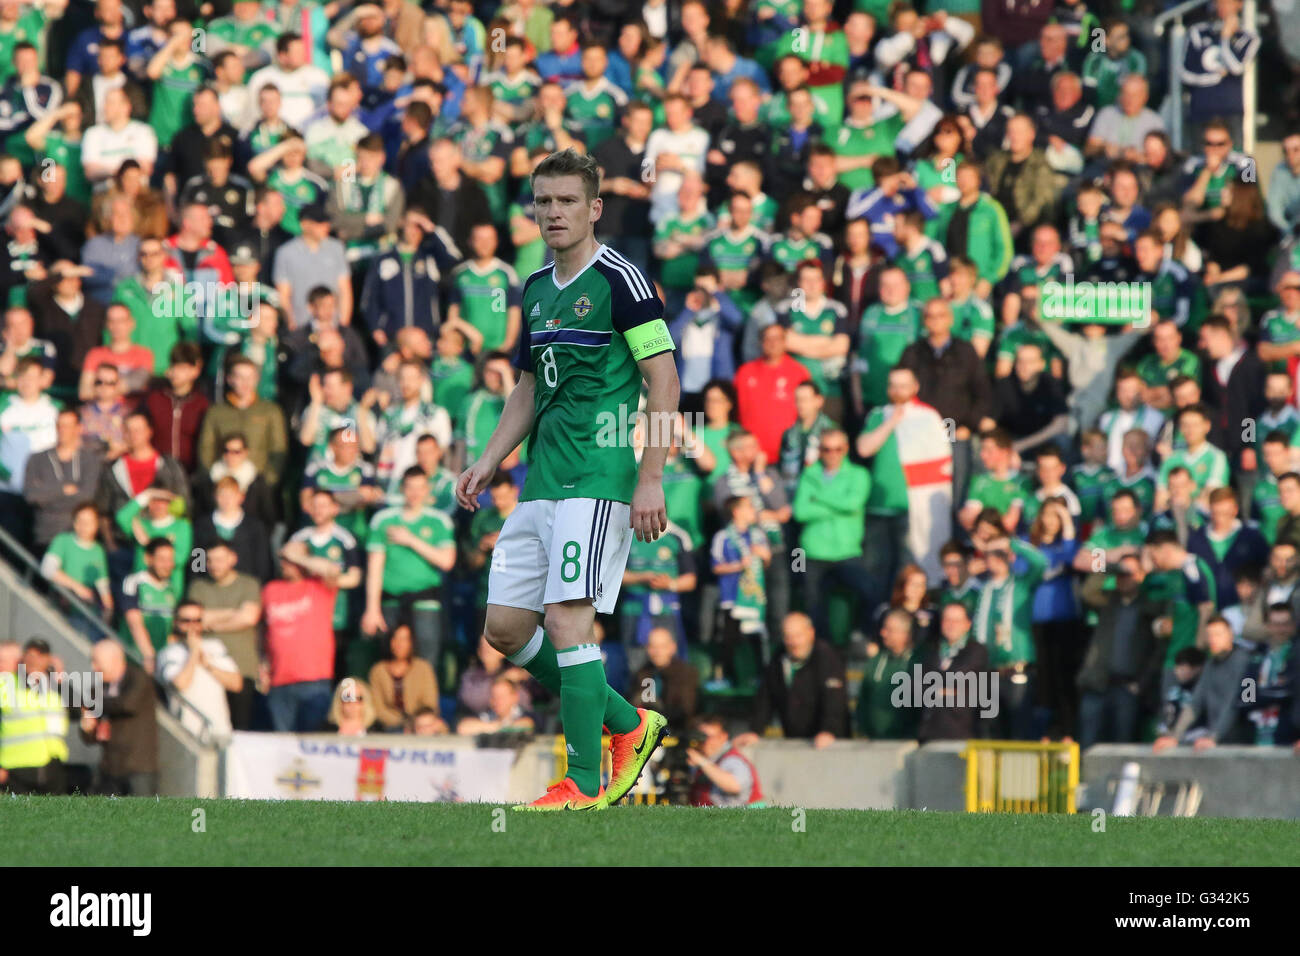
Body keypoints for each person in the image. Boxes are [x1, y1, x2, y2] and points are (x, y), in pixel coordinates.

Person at [453, 147, 680, 809]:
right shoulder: (535, 288)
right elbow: (527, 387)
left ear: (595, 209)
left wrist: (652, 477)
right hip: (541, 481)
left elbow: (663, 379)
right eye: (544, 201)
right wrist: (489, 457)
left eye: (567, 201)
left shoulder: (621, 281)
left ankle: (583, 784)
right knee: (504, 628)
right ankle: (627, 722)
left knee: (567, 622)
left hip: (599, 476)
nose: (553, 212)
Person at [1076, 553, 1160, 749]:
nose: (1124, 578)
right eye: (1121, 575)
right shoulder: (1108, 601)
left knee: (1123, 744)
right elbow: (1088, 592)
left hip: (1128, 686)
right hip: (1097, 683)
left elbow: (1157, 649)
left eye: (1130, 574)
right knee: (1088, 744)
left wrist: (1142, 683)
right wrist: (1110, 567)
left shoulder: (1149, 604)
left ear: (1141, 575)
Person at [736, 611, 848, 749]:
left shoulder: (827, 658)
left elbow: (834, 700)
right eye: (788, 637)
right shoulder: (779, 658)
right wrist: (755, 731)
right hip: (794, 740)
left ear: (811, 633)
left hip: (828, 743)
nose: (794, 642)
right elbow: (766, 698)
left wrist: (829, 731)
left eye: (798, 636)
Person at [261, 547, 339, 733]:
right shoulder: (271, 589)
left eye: (291, 559)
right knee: (283, 747)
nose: (286, 563)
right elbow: (264, 632)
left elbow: (332, 570)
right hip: (278, 681)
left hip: (313, 681)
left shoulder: (319, 586)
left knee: (312, 744)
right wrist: (263, 664)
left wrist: (296, 556)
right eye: (283, 559)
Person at [187, 540, 261, 732]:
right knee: (210, 727)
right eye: (209, 560)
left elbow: (248, 618)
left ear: (232, 559)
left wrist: (210, 622)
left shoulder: (249, 584)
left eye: (219, 559)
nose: (214, 564)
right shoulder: (198, 587)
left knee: (240, 729)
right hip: (208, 670)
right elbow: (195, 619)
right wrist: (233, 612)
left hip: (242, 668)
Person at [1153, 615, 1253, 750]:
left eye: (1218, 634)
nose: (1213, 639)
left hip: (1241, 740)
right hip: (1215, 738)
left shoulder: (1246, 662)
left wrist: (1214, 737)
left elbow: (1239, 703)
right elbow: (1195, 703)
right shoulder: (1210, 664)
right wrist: (1174, 737)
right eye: (1209, 635)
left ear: (1230, 634)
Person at [81, 639, 159, 796]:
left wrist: (94, 705)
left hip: (138, 769)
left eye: (97, 662)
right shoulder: (97, 690)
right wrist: (87, 728)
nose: (93, 668)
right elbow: (90, 737)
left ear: (116, 660)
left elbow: (126, 704)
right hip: (109, 769)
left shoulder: (138, 678)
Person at [157, 599, 242, 744]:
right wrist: (194, 653)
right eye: (186, 621)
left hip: (219, 730)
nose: (192, 626)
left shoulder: (216, 646)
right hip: (186, 734)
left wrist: (209, 666)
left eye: (197, 620)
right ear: (176, 622)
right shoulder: (168, 653)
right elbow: (181, 684)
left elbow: (236, 684)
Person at [917, 601, 993, 742]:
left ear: (967, 624)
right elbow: (918, 689)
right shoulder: (931, 651)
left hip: (962, 732)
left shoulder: (976, 651)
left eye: (957, 621)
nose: (951, 625)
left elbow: (959, 678)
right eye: (947, 620)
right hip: (930, 733)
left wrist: (934, 689)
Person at [856, 608, 919, 740]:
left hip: (908, 744)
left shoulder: (919, 662)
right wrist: (864, 729)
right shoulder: (876, 661)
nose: (883, 633)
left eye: (889, 630)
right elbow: (863, 699)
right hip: (875, 743)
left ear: (905, 634)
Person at [368, 624, 443, 733]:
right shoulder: (378, 671)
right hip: (389, 727)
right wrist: (402, 723)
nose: (399, 644)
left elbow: (430, 704)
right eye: (395, 639)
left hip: (421, 725)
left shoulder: (423, 668)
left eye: (404, 639)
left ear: (411, 643)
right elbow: (378, 708)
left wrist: (416, 723)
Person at [686, 713, 765, 807]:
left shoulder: (733, 759)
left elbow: (735, 785)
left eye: (707, 737)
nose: (703, 741)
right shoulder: (703, 757)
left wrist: (702, 763)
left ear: (723, 737)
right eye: (699, 736)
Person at [626, 626, 698, 728]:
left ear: (673, 648)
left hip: (677, 730)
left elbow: (685, 711)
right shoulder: (642, 673)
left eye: (662, 647)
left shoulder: (686, 674)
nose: (657, 652)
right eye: (652, 647)